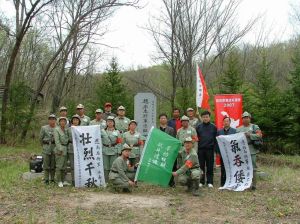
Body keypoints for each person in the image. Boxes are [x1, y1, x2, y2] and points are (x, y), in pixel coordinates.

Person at [237, 111, 262, 190]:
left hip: (251, 149)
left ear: (250, 118)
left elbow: (260, 135)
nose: (245, 119)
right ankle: (245, 184)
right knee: (243, 167)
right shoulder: (238, 129)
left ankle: (253, 185)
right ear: (242, 119)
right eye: (244, 118)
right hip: (242, 150)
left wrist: (250, 135)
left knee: (253, 167)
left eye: (247, 118)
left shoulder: (254, 127)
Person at [196, 110, 217, 188]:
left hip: (210, 149)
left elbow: (216, 139)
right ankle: (201, 181)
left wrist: (215, 149)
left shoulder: (214, 127)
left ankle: (210, 181)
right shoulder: (198, 127)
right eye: (204, 117)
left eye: (207, 117)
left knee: (210, 166)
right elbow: (196, 138)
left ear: (209, 117)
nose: (205, 118)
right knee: (201, 166)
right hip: (201, 149)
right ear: (201, 117)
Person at [216, 116, 236, 187]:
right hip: (223, 153)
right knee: (223, 168)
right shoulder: (219, 132)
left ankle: (232, 182)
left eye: (227, 121)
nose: (226, 122)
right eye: (224, 121)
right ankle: (223, 183)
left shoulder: (234, 131)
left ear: (230, 122)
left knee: (232, 168)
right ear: (223, 122)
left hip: (232, 153)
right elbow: (217, 142)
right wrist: (217, 152)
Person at [102, 116, 122, 181]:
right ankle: (106, 180)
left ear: (114, 123)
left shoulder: (117, 132)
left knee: (113, 166)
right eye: (108, 121)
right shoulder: (102, 131)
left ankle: (112, 181)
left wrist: (119, 152)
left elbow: (119, 142)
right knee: (105, 167)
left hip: (114, 151)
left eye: (111, 121)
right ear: (106, 123)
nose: (110, 123)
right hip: (105, 150)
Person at [159, 113, 176, 187]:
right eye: (161, 118)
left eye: (164, 118)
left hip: (168, 149)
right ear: (159, 120)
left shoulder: (171, 129)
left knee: (170, 165)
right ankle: (162, 181)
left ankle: (171, 182)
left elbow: (173, 140)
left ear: (167, 120)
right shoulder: (157, 129)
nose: (163, 119)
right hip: (160, 149)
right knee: (161, 165)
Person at [39, 114, 57, 184]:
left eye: (53, 119)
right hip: (46, 148)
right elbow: (40, 138)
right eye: (50, 119)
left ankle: (52, 179)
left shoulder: (57, 128)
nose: (52, 120)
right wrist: (43, 146)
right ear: (48, 120)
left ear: (55, 120)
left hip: (54, 148)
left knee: (53, 165)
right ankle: (46, 179)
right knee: (46, 165)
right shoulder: (44, 128)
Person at [54, 117, 70, 187]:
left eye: (64, 121)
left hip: (66, 149)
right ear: (59, 122)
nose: (63, 122)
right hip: (59, 149)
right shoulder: (56, 130)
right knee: (59, 166)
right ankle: (59, 181)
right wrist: (60, 149)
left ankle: (63, 180)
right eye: (61, 121)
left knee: (64, 166)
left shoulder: (66, 130)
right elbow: (57, 141)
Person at [67, 114, 81, 186]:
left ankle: (80, 179)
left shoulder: (82, 129)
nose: (75, 121)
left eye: (77, 120)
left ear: (79, 121)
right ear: (72, 121)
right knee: (72, 166)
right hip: (71, 148)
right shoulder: (69, 129)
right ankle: (73, 180)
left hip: (80, 149)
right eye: (74, 120)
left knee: (80, 165)